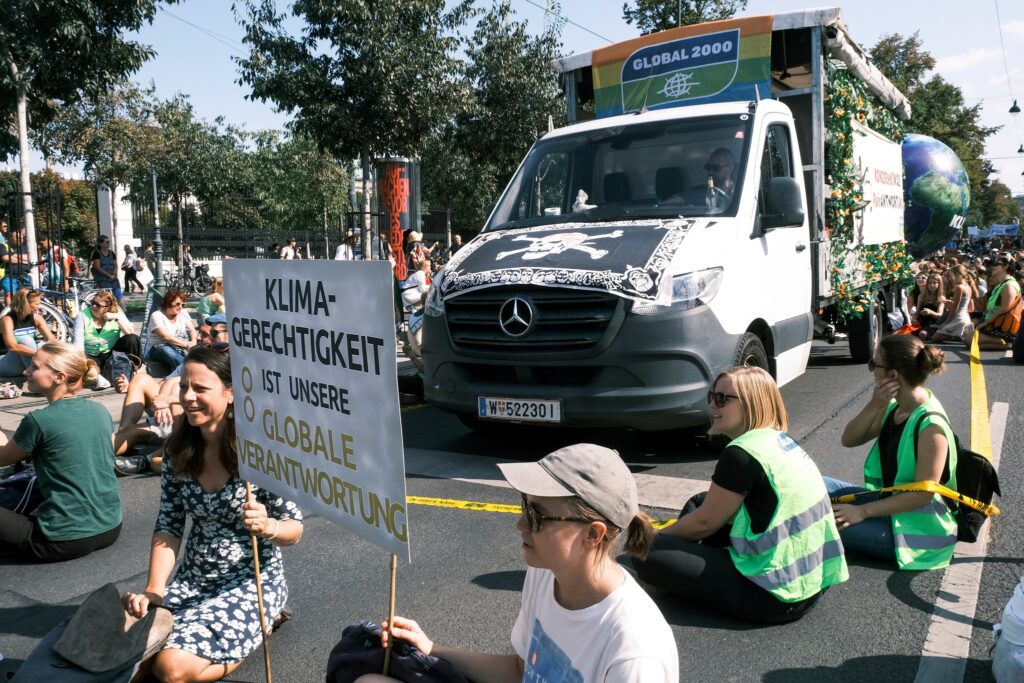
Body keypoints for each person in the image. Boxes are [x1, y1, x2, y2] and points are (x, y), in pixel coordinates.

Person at [358, 444, 678, 683]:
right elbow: (520, 670)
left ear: (593, 534)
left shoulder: (634, 655)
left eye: (538, 515)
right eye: (525, 505)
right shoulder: (544, 572)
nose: (521, 524)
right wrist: (431, 648)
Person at [123, 346, 302, 683]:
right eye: (183, 387)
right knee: (133, 659)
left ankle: (262, 626)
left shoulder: (262, 453)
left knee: (170, 668)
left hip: (250, 586)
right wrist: (154, 590)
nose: (188, 397)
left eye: (200, 389)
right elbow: (168, 525)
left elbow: (294, 530)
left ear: (231, 393)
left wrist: (268, 526)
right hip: (192, 582)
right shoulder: (177, 451)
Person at [634, 366, 848, 623]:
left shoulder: (741, 454)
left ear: (752, 404)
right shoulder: (778, 440)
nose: (714, 404)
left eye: (723, 399)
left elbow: (705, 524)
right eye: (711, 396)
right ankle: (688, 562)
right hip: (813, 582)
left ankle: (679, 565)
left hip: (773, 596)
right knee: (701, 501)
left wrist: (655, 538)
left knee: (647, 552)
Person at [826, 335, 958, 570]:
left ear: (893, 375)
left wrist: (862, 512)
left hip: (917, 532)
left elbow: (923, 495)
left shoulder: (931, 425)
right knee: (818, 484)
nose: (872, 371)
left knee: (819, 522)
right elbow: (849, 439)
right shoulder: (897, 407)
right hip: (891, 505)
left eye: (874, 365)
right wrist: (874, 404)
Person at [0, 341, 121, 562]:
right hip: (111, 528)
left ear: (60, 377)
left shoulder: (39, 420)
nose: (26, 370)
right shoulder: (99, 410)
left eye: (35, 367)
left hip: (62, 540)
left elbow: (2, 459)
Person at [79, 288, 141, 368]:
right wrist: (84, 361)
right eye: (93, 302)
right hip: (90, 355)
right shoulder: (83, 315)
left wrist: (116, 317)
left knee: (132, 339)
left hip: (112, 353)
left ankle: (134, 368)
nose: (93, 306)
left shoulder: (116, 313)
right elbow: (78, 342)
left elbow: (130, 332)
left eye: (98, 305)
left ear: (107, 307)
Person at [0, 288, 55, 376]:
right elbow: (12, 347)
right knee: (26, 340)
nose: (39, 306)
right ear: (26, 304)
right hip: (8, 362)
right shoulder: (7, 319)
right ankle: (37, 376)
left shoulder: (36, 318)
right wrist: (38, 354)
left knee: (42, 345)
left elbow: (52, 340)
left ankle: (37, 374)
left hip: (27, 360)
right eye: (37, 304)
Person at [972, 255, 1022, 349]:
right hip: (994, 324)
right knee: (970, 339)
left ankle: (1008, 343)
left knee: (970, 340)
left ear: (1005, 266)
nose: (993, 267)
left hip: (1001, 328)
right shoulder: (1001, 285)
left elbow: (1004, 309)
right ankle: (1004, 344)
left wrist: (985, 323)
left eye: (996, 264)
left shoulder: (1009, 285)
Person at [145, 289, 197, 368]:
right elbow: (166, 337)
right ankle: (186, 369)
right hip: (158, 348)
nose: (180, 307)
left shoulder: (183, 312)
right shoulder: (157, 315)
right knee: (167, 351)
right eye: (178, 304)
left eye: (182, 305)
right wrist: (186, 345)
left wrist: (193, 341)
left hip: (180, 346)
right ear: (168, 302)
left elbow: (192, 329)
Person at [931, 266, 974, 343]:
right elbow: (971, 308)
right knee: (937, 338)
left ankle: (957, 336)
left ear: (958, 275)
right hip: (966, 318)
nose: (951, 279)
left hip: (958, 318)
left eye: (952, 276)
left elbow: (955, 309)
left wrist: (946, 322)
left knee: (934, 338)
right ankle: (958, 335)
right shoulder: (969, 287)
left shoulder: (959, 287)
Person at [91, 234, 123, 305]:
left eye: (109, 242)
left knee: (119, 296)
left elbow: (116, 265)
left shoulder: (112, 253)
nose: (109, 243)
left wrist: (114, 275)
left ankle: (124, 312)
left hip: (113, 278)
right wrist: (109, 276)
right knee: (108, 298)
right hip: (102, 279)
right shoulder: (96, 253)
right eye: (107, 242)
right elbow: (97, 267)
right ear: (101, 244)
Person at [914, 273, 945, 339]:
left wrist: (930, 312)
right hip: (921, 323)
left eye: (934, 283)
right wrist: (913, 319)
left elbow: (940, 315)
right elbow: (917, 312)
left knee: (922, 334)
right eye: (929, 283)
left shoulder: (941, 298)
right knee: (905, 334)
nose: (931, 285)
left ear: (939, 284)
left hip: (933, 324)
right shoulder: (922, 296)